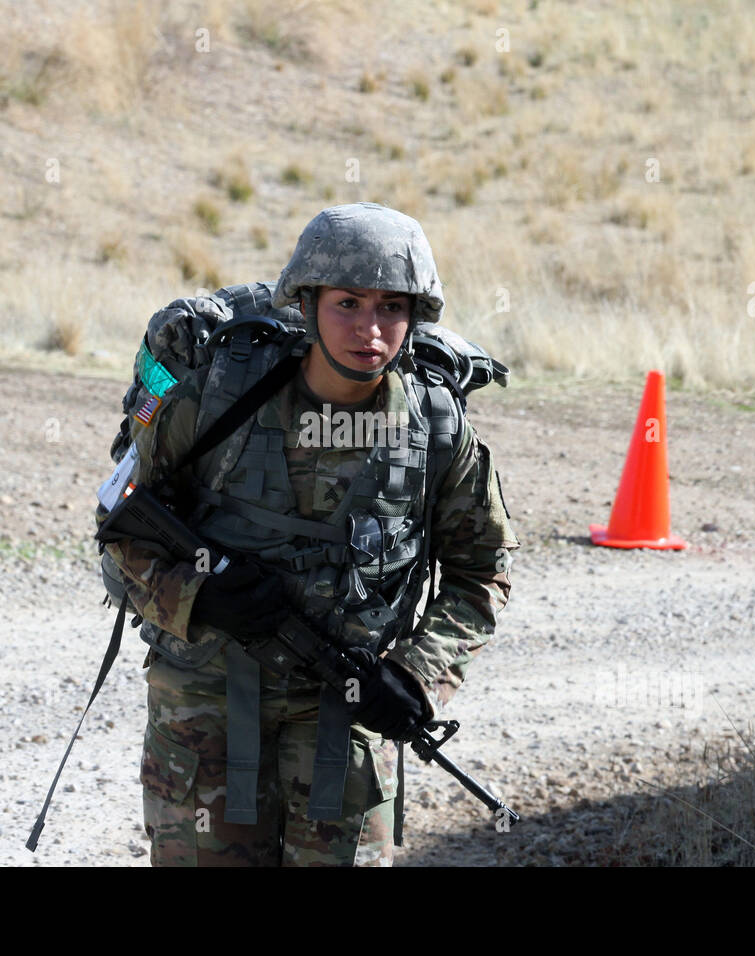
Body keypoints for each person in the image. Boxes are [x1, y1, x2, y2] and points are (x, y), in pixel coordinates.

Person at [100, 202, 518, 866]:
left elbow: (481, 574)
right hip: (206, 712)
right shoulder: (221, 395)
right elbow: (121, 526)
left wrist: (415, 675)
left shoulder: (434, 428)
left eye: (391, 307)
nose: (370, 330)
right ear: (309, 301)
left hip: (345, 723)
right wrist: (198, 597)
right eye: (348, 303)